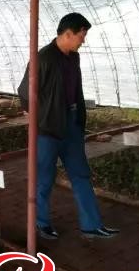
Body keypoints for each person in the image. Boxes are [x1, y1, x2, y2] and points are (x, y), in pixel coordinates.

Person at [18, 13, 119, 240]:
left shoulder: (74, 58)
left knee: (80, 174)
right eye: (81, 35)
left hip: (71, 124)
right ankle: (41, 222)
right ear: (67, 34)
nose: (83, 40)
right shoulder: (43, 58)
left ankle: (91, 225)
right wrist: (39, 118)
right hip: (48, 130)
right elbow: (25, 92)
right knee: (44, 177)